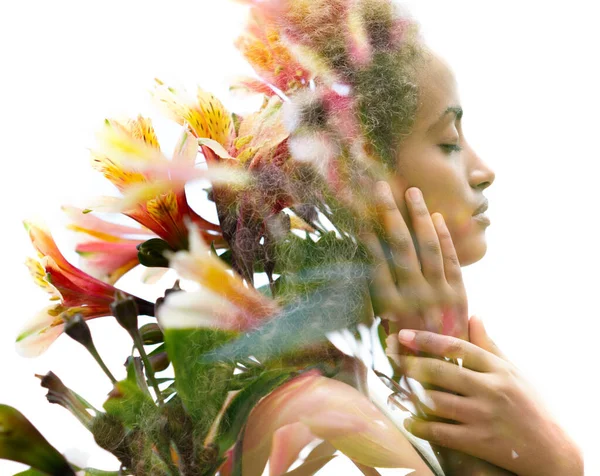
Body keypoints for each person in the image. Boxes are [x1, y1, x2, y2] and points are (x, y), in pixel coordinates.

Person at [361, 46, 584, 475]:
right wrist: (559, 463)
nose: (484, 170)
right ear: (361, 174)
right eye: (448, 142)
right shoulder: (336, 413)